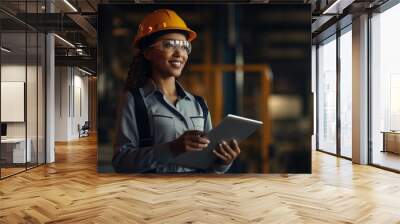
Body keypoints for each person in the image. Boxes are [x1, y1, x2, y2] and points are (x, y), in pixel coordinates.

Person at [112, 9, 241, 173]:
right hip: (154, 196)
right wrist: (172, 148)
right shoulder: (134, 100)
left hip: (194, 193)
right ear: (148, 52)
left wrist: (223, 162)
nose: (180, 53)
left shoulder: (199, 104)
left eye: (184, 46)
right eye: (169, 45)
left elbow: (208, 163)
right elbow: (121, 161)